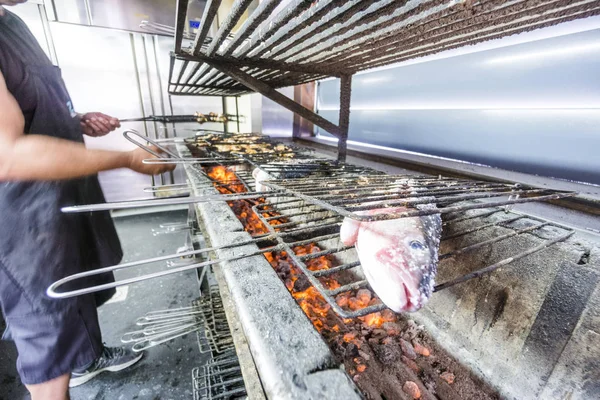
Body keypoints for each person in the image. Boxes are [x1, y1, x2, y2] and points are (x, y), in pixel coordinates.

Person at [0, 2, 175, 399]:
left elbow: (27, 103)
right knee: (47, 332)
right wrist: (128, 159)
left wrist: (73, 119)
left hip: (61, 200)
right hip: (23, 220)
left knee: (77, 292)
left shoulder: (13, 22)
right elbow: (7, 154)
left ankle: (87, 361)